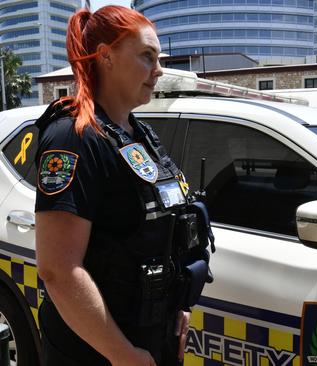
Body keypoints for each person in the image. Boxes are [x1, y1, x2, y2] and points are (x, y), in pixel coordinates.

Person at [35, 6, 212, 365]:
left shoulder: (138, 134)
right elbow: (58, 268)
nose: (159, 69)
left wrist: (175, 308)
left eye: (158, 57)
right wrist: (122, 354)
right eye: (147, 56)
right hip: (98, 351)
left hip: (147, 337)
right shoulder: (73, 137)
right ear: (106, 56)